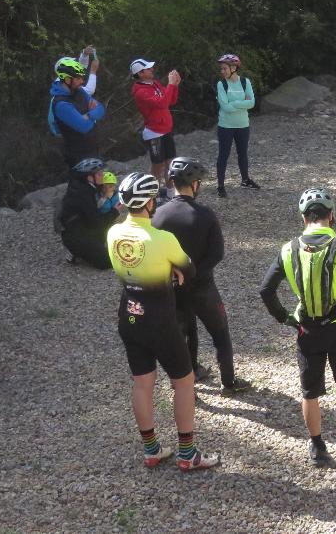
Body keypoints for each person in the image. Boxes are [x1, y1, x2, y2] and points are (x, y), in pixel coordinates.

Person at [109, 172, 220, 471]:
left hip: (129, 313)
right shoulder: (163, 238)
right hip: (160, 318)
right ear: (148, 203)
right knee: (183, 383)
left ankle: (151, 449)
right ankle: (187, 454)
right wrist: (172, 269)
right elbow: (190, 269)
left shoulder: (113, 234)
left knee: (142, 383)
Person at [260, 187, 336, 470]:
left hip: (306, 329)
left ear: (303, 218)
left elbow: (266, 290)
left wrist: (284, 317)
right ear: (331, 216)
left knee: (310, 391)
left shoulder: (288, 249)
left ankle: (317, 448)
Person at [151, 157, 251, 394]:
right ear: (195, 185)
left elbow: (154, 254)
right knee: (220, 333)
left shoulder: (158, 215)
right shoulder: (205, 214)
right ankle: (229, 383)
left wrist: (176, 274)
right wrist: (194, 272)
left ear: (171, 181)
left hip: (173, 288)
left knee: (183, 336)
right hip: (203, 287)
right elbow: (217, 253)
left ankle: (189, 388)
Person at [57, 157, 120, 269]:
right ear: (90, 177)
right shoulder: (83, 194)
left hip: (81, 227)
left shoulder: (82, 187)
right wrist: (115, 211)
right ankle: (78, 251)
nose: (103, 176)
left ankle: (82, 251)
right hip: (76, 234)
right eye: (99, 174)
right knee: (106, 262)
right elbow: (97, 222)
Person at [213, 53, 259, 198]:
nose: (222, 71)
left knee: (243, 153)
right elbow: (225, 107)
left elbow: (252, 103)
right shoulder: (222, 84)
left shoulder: (245, 82)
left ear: (234, 67)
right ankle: (220, 185)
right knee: (223, 155)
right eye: (221, 69)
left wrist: (234, 103)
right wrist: (241, 103)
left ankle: (245, 180)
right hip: (225, 126)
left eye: (224, 68)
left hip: (243, 125)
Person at [130, 58, 182, 182]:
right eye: (148, 69)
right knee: (157, 166)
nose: (152, 69)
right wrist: (170, 84)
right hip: (154, 133)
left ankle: (170, 194)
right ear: (140, 73)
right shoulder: (141, 92)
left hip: (166, 129)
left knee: (170, 163)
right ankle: (154, 195)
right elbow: (162, 103)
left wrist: (175, 86)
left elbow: (171, 101)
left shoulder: (155, 84)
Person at [48, 57, 105, 168]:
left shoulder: (79, 91)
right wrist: (92, 114)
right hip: (78, 155)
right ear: (68, 80)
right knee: (82, 184)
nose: (82, 81)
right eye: (78, 78)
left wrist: (88, 115)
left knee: (98, 182)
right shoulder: (61, 104)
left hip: (91, 149)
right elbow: (85, 127)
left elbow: (101, 109)